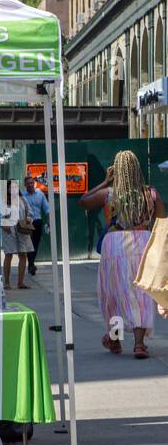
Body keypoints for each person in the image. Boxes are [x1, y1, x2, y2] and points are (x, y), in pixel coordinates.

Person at [80, 151, 165, 359]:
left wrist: (104, 181)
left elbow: (84, 201)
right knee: (141, 294)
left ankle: (115, 339)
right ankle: (139, 344)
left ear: (117, 170)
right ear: (137, 169)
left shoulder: (109, 193)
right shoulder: (151, 194)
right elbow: (163, 222)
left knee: (115, 294)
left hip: (116, 244)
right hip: (143, 242)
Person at [0, 183, 32, 290]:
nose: (13, 189)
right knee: (9, 255)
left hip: (22, 230)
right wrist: (3, 225)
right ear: (7, 189)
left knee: (23, 254)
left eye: (15, 187)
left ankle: (20, 282)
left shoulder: (23, 200)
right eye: (10, 187)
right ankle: (6, 283)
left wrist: (28, 218)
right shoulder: (4, 201)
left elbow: (30, 213)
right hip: (9, 231)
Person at [21, 175, 50, 276]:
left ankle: (31, 264)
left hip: (38, 222)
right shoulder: (23, 196)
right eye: (28, 183)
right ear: (25, 185)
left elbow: (47, 209)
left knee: (35, 244)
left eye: (31, 183)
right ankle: (31, 265)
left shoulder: (40, 194)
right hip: (28, 223)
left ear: (34, 183)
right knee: (30, 245)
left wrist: (49, 221)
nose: (30, 185)